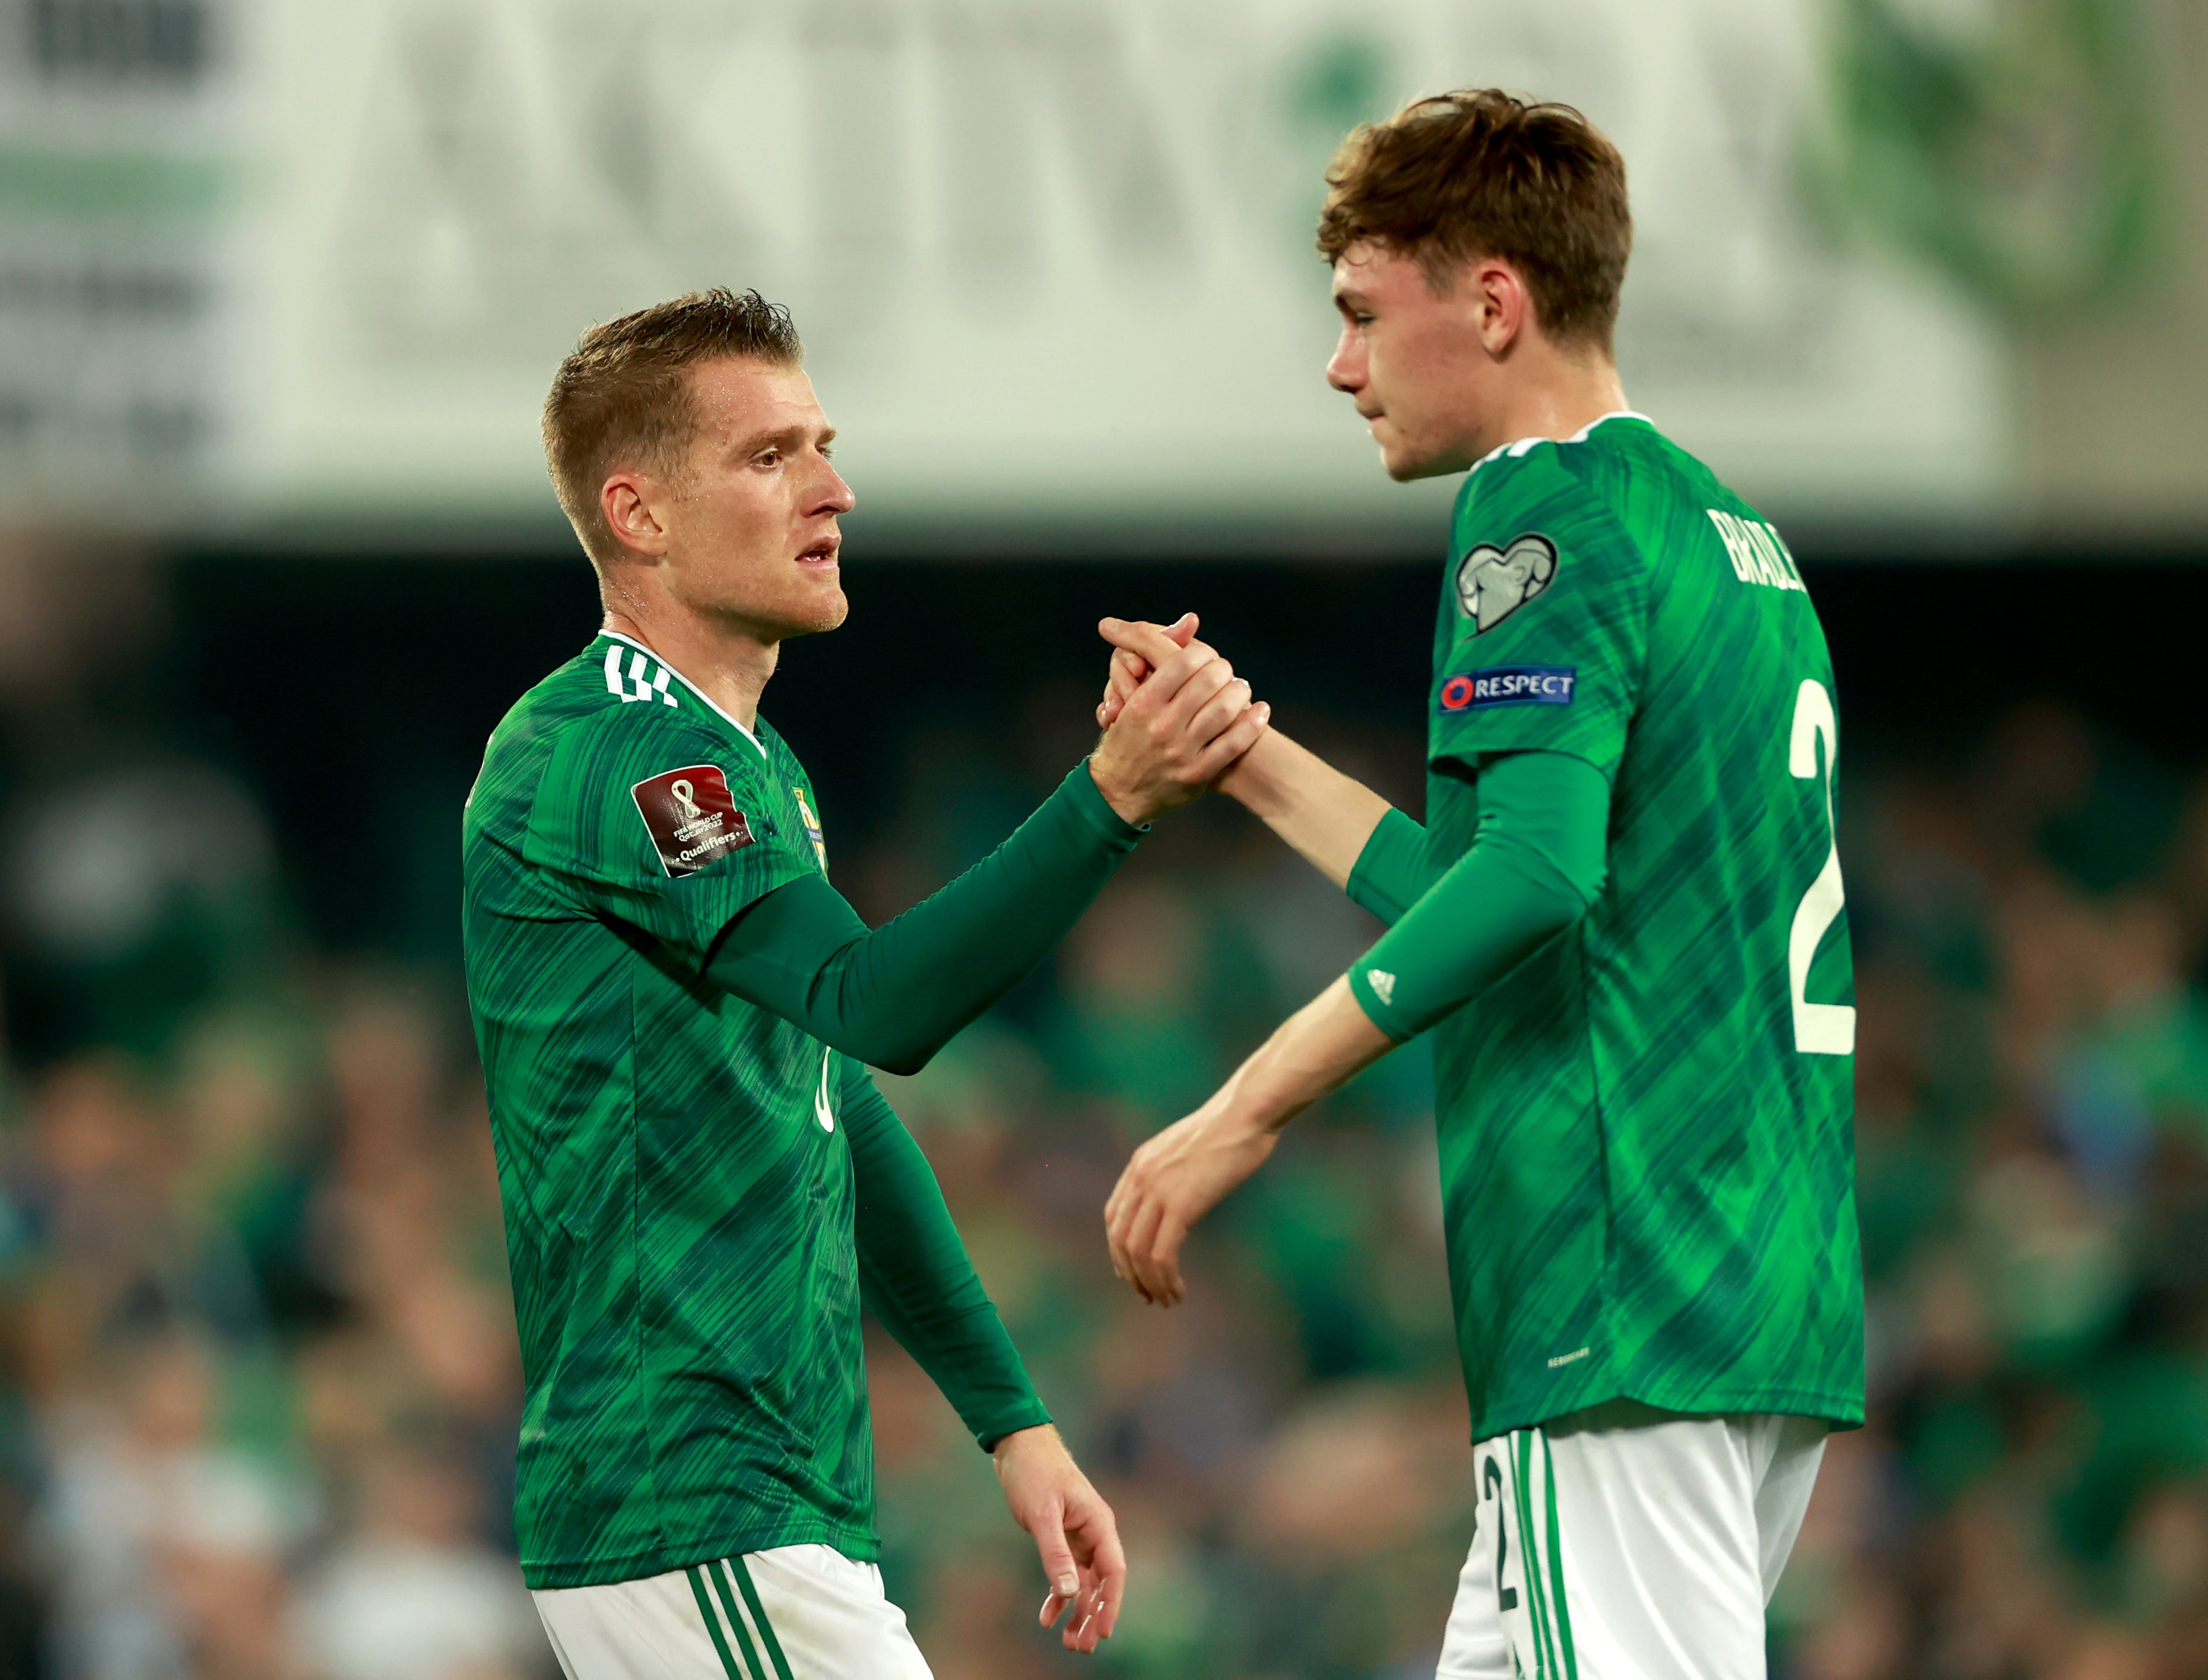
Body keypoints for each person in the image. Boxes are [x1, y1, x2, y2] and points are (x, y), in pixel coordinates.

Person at [1095, 91, 1863, 1679]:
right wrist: (1245, 753)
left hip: (1620, 1276)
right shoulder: (1730, 534)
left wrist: (1250, 1097)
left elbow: (1524, 879)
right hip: (1742, 1272)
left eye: (1364, 314)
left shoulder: (1542, 505)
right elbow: (1504, 889)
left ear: (1493, 302)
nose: (1341, 364)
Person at [462, 287, 1268, 1679]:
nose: (833, 486)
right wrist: (1111, 797)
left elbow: (839, 1102)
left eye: (822, 444)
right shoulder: (615, 755)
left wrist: (1011, 1417)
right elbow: (876, 1004)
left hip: (755, 1500)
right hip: (690, 1493)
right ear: (640, 514)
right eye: (769, 455)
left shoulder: (751, 767)